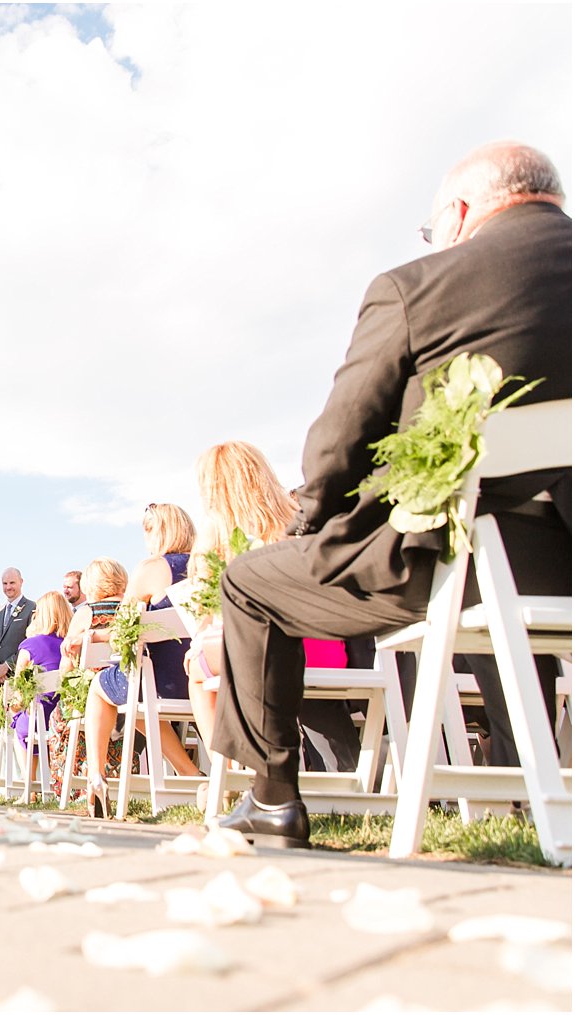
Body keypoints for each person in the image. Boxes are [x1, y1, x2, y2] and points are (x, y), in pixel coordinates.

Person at [214, 141, 572, 850]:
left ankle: (274, 796)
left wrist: (309, 529)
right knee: (494, 595)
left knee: (249, 583)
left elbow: (338, 444)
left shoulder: (420, 285)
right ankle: (529, 782)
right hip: (559, 560)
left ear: (461, 212)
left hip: (451, 554)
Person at [183, 441, 354, 768]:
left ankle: (224, 770)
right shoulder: (297, 519)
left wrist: (195, 647)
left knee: (197, 668)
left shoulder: (216, 533)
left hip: (261, 655)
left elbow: (206, 610)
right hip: (324, 649)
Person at [80, 506, 204, 815]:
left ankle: (97, 777)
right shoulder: (208, 566)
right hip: (206, 676)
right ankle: (195, 775)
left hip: (164, 683)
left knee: (103, 688)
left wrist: (96, 637)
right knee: (134, 701)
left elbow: (125, 628)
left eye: (147, 531)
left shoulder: (151, 568)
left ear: (158, 532)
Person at [53, 557, 129, 807]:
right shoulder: (132, 608)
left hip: (91, 698)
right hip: (132, 693)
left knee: (59, 715)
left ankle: (78, 787)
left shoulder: (86, 613)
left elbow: (67, 668)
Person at [8, 590, 74, 750]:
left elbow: (19, 694)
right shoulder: (73, 646)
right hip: (68, 719)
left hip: (39, 719)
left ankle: (29, 774)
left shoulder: (29, 646)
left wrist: (12, 709)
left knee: (17, 721)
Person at [0, 568, 35, 698]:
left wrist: (7, 666)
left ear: (21, 582)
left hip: (19, 683)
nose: (8, 587)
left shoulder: (32, 608)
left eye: (12, 583)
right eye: (5, 584)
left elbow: (31, 645)